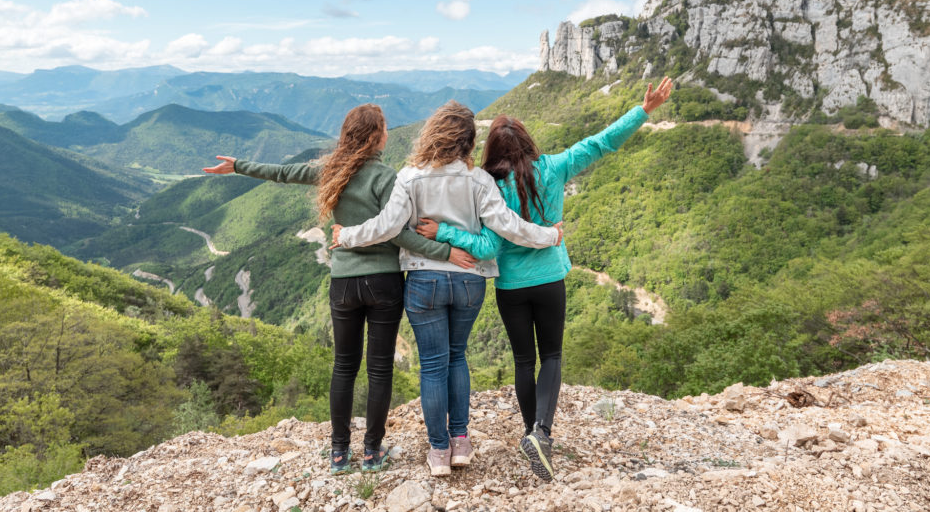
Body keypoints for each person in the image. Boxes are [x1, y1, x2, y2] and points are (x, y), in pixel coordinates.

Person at [415, 77, 673, 482]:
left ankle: (530, 432)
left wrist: (442, 233)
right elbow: (602, 142)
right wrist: (644, 110)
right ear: (529, 142)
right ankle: (543, 434)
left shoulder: (489, 185)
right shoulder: (553, 167)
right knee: (551, 355)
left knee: (523, 359)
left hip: (511, 286)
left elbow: (482, 243)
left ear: (493, 150)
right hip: (550, 277)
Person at [203, 103, 477, 475]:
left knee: (343, 367)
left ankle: (337, 453)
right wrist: (446, 250)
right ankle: (371, 453)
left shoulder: (332, 171)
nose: (386, 132)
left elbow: (283, 173)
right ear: (378, 136)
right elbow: (400, 233)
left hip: (344, 283)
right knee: (380, 370)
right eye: (384, 128)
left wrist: (238, 166)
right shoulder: (386, 177)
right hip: (383, 283)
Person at [329, 100, 563, 477]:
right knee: (457, 357)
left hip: (424, 280)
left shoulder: (409, 176)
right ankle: (461, 443)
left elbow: (388, 227)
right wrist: (549, 235)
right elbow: (509, 225)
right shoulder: (480, 181)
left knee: (433, 365)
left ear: (434, 134)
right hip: (469, 280)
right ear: (469, 143)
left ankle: (438, 451)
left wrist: (348, 236)